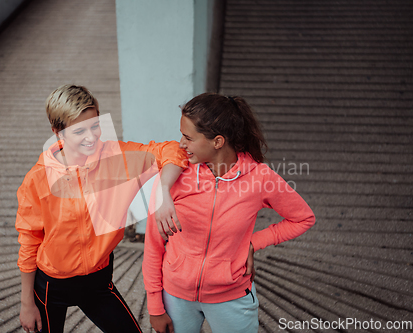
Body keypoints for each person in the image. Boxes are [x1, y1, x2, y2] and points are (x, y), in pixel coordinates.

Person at [16, 84, 186, 333]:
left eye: (96, 125)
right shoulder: (38, 179)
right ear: (58, 132)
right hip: (51, 285)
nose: (92, 137)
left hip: (97, 281)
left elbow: (170, 150)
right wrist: (26, 303)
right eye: (79, 131)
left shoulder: (116, 157)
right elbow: (29, 241)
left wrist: (164, 191)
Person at [142, 92, 316, 333]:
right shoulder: (174, 175)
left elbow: (303, 218)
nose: (181, 144)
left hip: (231, 297)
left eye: (188, 138)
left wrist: (253, 243)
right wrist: (155, 306)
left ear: (218, 142)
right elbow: (153, 244)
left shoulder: (259, 178)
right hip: (176, 297)